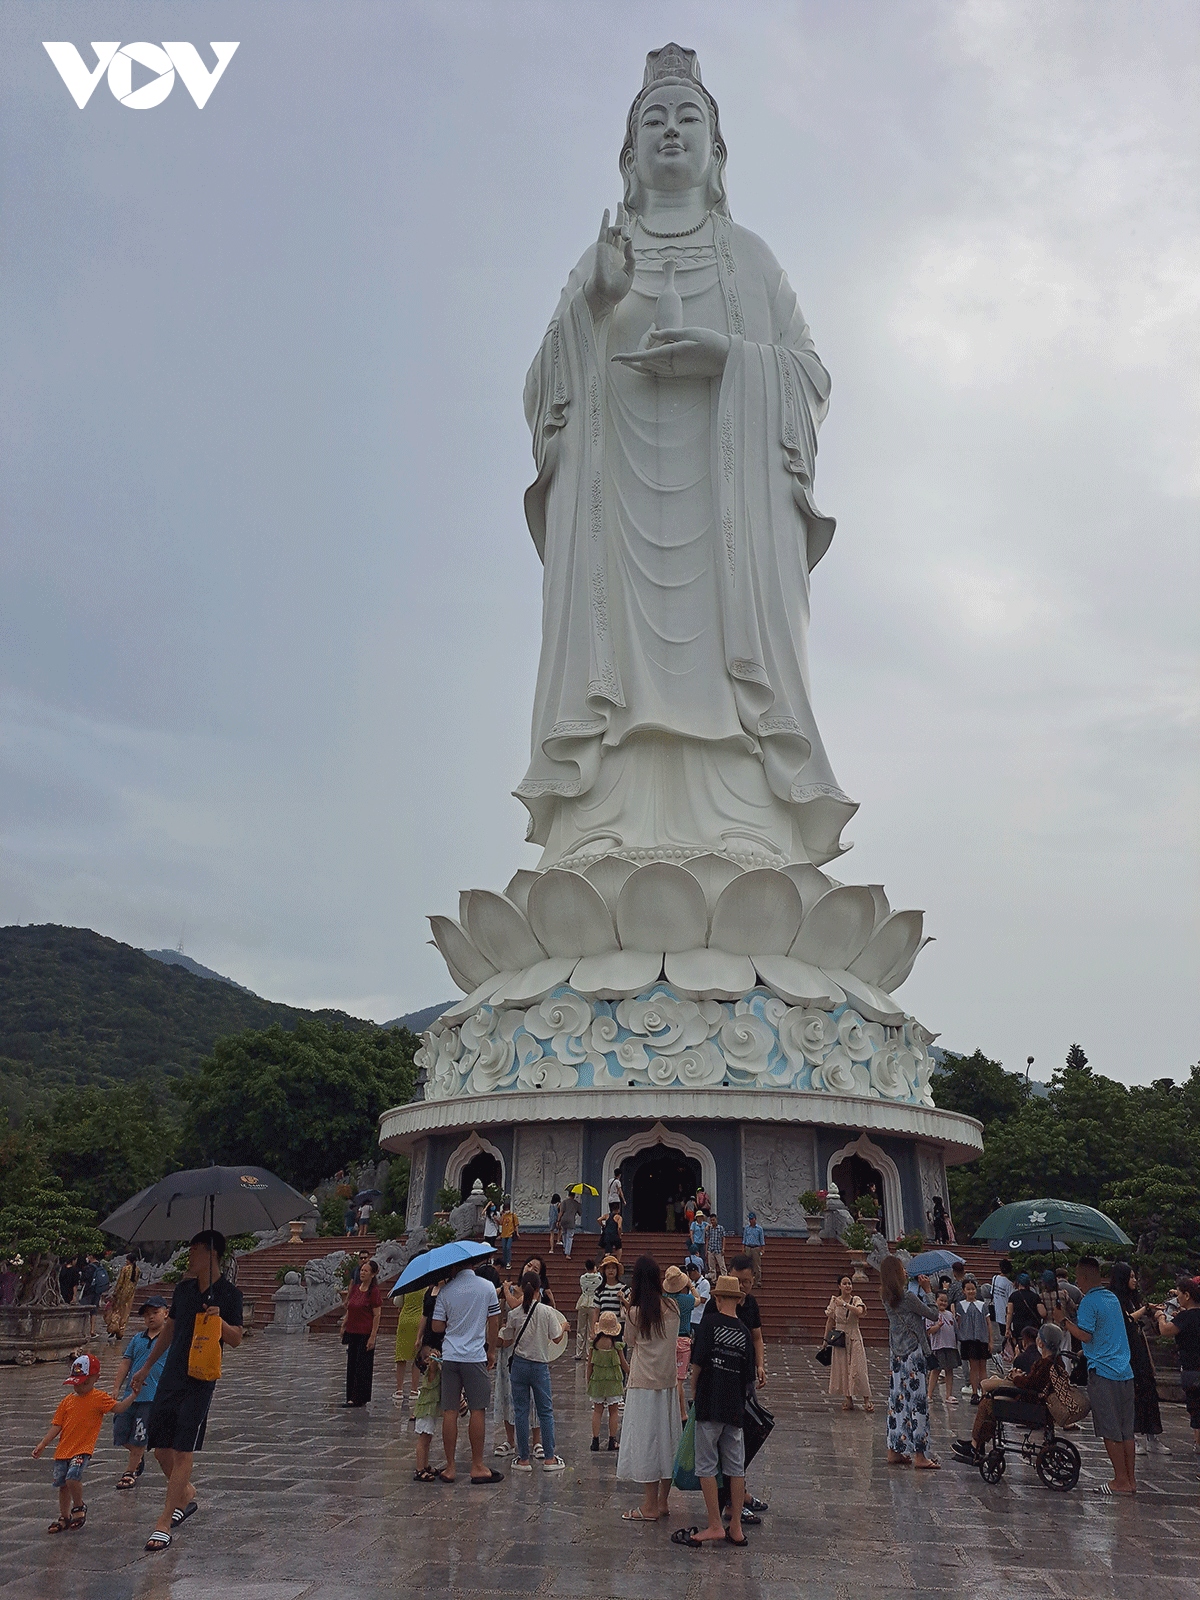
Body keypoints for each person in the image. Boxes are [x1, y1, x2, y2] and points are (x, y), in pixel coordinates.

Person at [129, 1229, 243, 1553]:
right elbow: (170, 1329)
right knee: (160, 1448)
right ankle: (186, 1493)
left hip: (201, 1379)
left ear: (211, 1253)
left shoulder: (230, 1295)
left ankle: (164, 1521)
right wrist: (147, 1365)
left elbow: (236, 1339)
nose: (190, 1256)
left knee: (183, 1449)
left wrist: (220, 1322)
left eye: (194, 1250)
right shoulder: (183, 1290)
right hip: (173, 1373)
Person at [674, 1273, 756, 1549]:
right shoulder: (744, 1332)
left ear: (719, 1298)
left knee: (706, 1465)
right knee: (735, 1466)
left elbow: (697, 1364)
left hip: (710, 1402)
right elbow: (748, 1376)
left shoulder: (708, 1324)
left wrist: (694, 1392)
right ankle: (736, 1527)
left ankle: (714, 1524)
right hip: (735, 1406)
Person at [1054, 1255, 1136, 1496]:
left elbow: (1086, 1334)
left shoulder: (1090, 1302)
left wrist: (1064, 1321)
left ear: (1083, 1278)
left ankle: (1119, 1480)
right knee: (1126, 1430)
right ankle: (1130, 1480)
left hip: (1103, 1372)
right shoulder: (1112, 1298)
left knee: (1110, 1428)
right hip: (1125, 1371)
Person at [32, 1353, 135, 1533]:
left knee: (73, 1476)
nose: (79, 1387)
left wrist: (133, 1395)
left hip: (82, 1448)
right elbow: (57, 1426)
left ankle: (79, 1507)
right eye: (76, 1383)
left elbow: (118, 1408)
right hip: (63, 1450)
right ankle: (64, 1516)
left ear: (96, 1378)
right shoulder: (67, 1401)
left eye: (84, 1383)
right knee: (62, 1484)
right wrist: (43, 1444)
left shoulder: (99, 1398)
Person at [617, 1256, 681, 1524]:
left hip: (643, 1382)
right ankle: (663, 1502)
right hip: (667, 1383)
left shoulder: (635, 1313)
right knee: (667, 1441)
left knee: (646, 1442)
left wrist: (626, 1306)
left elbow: (630, 1342)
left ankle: (649, 1504)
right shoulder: (673, 1306)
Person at [953, 1322, 1071, 1462]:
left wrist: (1016, 1378)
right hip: (1037, 1404)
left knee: (987, 1404)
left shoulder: (1045, 1364)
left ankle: (975, 1445)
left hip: (1030, 1406)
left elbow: (1031, 1385)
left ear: (1041, 1343)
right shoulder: (1057, 1362)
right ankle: (978, 1443)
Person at [431, 1260, 502, 1484]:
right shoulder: (487, 1287)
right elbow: (494, 1322)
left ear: (454, 1267)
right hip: (474, 1356)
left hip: (451, 1355)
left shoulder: (445, 1291)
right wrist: (491, 1351)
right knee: (477, 1409)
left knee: (450, 1410)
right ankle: (477, 1465)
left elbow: (437, 1326)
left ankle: (450, 1467)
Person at [879, 1254, 942, 1469]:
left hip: (897, 1354)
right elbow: (933, 1314)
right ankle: (920, 1455)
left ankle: (894, 1449)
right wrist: (928, 1291)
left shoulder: (886, 1298)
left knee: (897, 1401)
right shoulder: (907, 1298)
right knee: (917, 1402)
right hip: (914, 1354)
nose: (906, 1272)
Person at [503, 1269, 569, 1472]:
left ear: (522, 1289)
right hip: (539, 1365)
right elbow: (556, 1338)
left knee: (521, 1411)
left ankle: (523, 1459)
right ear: (539, 1289)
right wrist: (565, 1326)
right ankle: (549, 1458)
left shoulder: (514, 1313)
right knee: (545, 1412)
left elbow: (507, 1337)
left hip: (520, 1365)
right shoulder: (546, 1312)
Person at [1109, 1260, 1167, 1455]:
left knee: (1148, 1388)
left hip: (1139, 1348)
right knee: (1131, 1394)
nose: (1134, 1280)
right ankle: (1133, 1435)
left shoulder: (1134, 1298)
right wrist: (1145, 1309)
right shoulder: (1115, 1299)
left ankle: (1153, 1435)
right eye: (1131, 1276)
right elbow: (1126, 1320)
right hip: (1126, 1351)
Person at [111, 1297, 169, 1488]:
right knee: (120, 1432)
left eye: (155, 1313)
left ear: (166, 1313)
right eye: (147, 1314)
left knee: (139, 1436)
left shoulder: (170, 1340)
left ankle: (130, 1472)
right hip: (131, 1395)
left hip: (152, 1396)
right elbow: (126, 1362)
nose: (151, 1317)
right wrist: (116, 1387)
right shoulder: (137, 1339)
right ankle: (138, 1455)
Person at [1151, 1276, 1200, 1454]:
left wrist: (1160, 1316)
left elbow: (1165, 1330)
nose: (1177, 1298)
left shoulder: (1186, 1317)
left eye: (1178, 1294)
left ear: (1187, 1295)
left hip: (1192, 1370)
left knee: (1195, 1410)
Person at [824, 1273, 872, 1413]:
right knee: (843, 1368)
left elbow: (859, 1311)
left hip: (854, 1335)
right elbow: (830, 1321)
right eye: (844, 1283)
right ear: (839, 1286)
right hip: (840, 1337)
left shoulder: (855, 1299)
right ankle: (848, 1398)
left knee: (859, 1368)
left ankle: (866, 1399)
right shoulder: (834, 1301)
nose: (848, 1286)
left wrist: (845, 1305)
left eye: (849, 1283)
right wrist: (825, 1339)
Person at [339, 1257, 382, 1406]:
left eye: (366, 1271)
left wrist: (373, 1336)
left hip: (365, 1332)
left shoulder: (374, 1292)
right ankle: (350, 1395)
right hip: (353, 1331)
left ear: (373, 1274)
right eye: (362, 1270)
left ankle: (359, 1397)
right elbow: (351, 1308)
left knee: (362, 1366)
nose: (362, 1273)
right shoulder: (356, 1289)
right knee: (351, 1364)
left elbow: (377, 1315)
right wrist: (344, 1324)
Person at [588, 1309, 628, 1450]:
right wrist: (631, 1373)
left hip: (597, 1380)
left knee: (597, 1411)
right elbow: (623, 1363)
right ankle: (612, 1440)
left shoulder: (594, 1345)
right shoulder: (617, 1346)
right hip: (613, 1381)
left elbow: (589, 1365)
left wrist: (588, 1380)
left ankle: (595, 1441)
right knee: (614, 1411)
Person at [662, 1264, 696, 1421]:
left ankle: (667, 1411)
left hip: (668, 1340)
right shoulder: (687, 1300)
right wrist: (691, 1285)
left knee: (667, 1379)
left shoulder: (664, 1300)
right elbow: (699, 1299)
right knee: (679, 1381)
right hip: (683, 1340)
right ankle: (682, 1413)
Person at [954, 1277, 990, 1403]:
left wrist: (990, 1340)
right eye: (968, 1289)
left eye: (973, 1289)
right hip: (968, 1340)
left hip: (982, 1339)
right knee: (973, 1367)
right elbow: (958, 1323)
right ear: (963, 1291)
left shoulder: (982, 1305)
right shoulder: (960, 1306)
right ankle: (975, 1392)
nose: (971, 1291)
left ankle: (984, 1392)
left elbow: (988, 1323)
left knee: (983, 1367)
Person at [393, 1279, 426, 1411]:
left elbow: (397, 1302)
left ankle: (399, 1390)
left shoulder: (406, 1283)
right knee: (416, 1357)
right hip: (419, 1320)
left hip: (404, 1320)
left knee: (401, 1357)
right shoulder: (425, 1285)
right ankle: (413, 1390)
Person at [411, 1344, 443, 1481]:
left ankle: (425, 1465)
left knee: (428, 1439)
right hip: (426, 1410)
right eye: (430, 1352)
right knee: (423, 1439)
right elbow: (433, 1369)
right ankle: (419, 1469)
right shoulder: (431, 1371)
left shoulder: (435, 1370)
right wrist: (434, 1360)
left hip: (431, 1410)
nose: (434, 1351)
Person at [926, 1292, 960, 1406]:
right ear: (936, 1301)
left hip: (950, 1345)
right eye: (941, 1300)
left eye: (945, 1301)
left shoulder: (950, 1315)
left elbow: (955, 1329)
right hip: (938, 1346)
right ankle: (929, 1394)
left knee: (949, 1370)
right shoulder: (932, 1315)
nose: (943, 1303)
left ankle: (949, 1395)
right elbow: (929, 1331)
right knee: (935, 1370)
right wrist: (938, 1326)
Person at [104, 1250, 139, 1342]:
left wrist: (115, 1292)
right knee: (126, 1314)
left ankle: (113, 1328)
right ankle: (121, 1332)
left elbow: (120, 1283)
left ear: (129, 1260)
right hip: (131, 1294)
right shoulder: (138, 1270)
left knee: (117, 1311)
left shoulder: (125, 1269)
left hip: (122, 1294)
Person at [1005, 1272, 1045, 1346]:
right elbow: (1043, 1313)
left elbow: (1009, 1313)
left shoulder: (1013, 1296)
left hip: (1018, 1328)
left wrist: (1007, 1328)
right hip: (1033, 1327)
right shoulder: (1035, 1296)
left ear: (1018, 1283)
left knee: (1020, 1347)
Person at [575, 1258, 602, 1359]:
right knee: (592, 1328)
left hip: (583, 1302)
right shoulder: (599, 1278)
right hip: (593, 1303)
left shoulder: (582, 1278)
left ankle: (578, 1352)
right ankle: (588, 1353)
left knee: (580, 1329)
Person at [989, 1259, 1015, 1354]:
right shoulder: (1009, 1284)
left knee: (1002, 1333)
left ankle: (1004, 1351)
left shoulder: (995, 1278)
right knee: (1007, 1333)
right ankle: (1007, 1351)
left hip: (997, 1310)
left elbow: (991, 1292)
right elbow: (1011, 1300)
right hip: (1006, 1312)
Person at [596, 1255, 627, 1327]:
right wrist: (593, 1329)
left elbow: (630, 1308)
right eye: (608, 1268)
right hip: (603, 1326)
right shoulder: (599, 1290)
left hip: (619, 1325)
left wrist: (623, 1299)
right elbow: (596, 1311)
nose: (611, 1270)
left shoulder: (623, 1288)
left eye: (613, 1268)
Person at [741, 1212, 765, 1286]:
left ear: (755, 1219)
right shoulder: (747, 1228)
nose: (751, 1221)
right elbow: (744, 1239)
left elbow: (762, 1240)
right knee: (747, 1264)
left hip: (756, 1248)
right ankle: (747, 1279)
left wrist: (762, 1249)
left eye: (752, 1219)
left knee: (757, 1265)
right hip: (748, 1247)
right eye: (750, 1219)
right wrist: (743, 1248)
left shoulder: (759, 1229)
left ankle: (757, 1280)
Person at [704, 1212, 727, 1281]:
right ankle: (713, 1279)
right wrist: (706, 1249)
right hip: (711, 1249)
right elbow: (707, 1238)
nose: (712, 1221)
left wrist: (723, 1248)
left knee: (722, 1265)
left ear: (716, 1219)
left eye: (713, 1220)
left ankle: (724, 1278)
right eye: (711, 1220)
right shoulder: (709, 1228)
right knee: (711, 1266)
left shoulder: (720, 1228)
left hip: (718, 1249)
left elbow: (723, 1238)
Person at [559, 1190, 581, 1257]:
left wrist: (558, 1220)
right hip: (571, 1221)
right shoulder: (576, 1203)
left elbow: (561, 1212)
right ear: (574, 1195)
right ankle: (567, 1253)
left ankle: (565, 1247)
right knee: (570, 1237)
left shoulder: (564, 1202)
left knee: (564, 1234)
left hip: (563, 1220)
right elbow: (580, 1213)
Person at [498, 1198, 519, 1268]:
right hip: (504, 1234)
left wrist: (517, 1233)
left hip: (510, 1234)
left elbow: (516, 1225)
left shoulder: (513, 1215)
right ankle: (504, 1261)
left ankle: (508, 1262)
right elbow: (500, 1223)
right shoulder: (504, 1216)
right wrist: (501, 1215)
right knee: (503, 1248)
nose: (506, 1210)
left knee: (508, 1248)